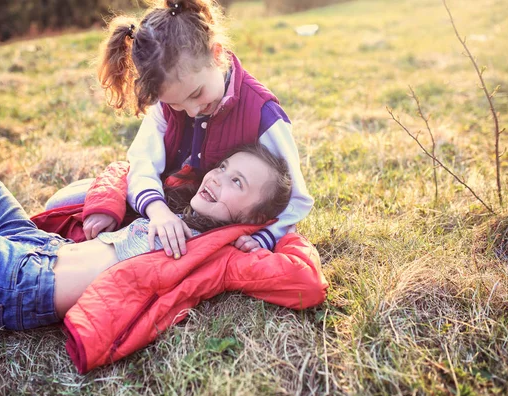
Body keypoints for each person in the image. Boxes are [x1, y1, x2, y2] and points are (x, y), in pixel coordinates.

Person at [0, 144, 292, 329]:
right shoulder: (173, 203)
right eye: (223, 167)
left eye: (236, 182)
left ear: (256, 216)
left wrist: (264, 237)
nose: (216, 178)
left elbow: (303, 282)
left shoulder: (221, 253)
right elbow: (126, 169)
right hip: (41, 246)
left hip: (22, 284)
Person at [45, 0, 314, 259]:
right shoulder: (166, 106)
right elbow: (142, 164)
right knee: (58, 206)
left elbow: (297, 198)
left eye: (197, 93)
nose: (193, 111)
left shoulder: (264, 114)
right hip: (164, 199)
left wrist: (265, 237)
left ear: (216, 54)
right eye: (176, 103)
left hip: (208, 210)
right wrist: (158, 211)